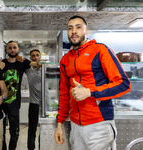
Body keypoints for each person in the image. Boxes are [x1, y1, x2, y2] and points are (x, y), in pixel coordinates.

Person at [54, 15, 131, 150]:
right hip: (76, 126)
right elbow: (64, 93)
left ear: (86, 31)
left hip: (99, 125)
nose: (74, 32)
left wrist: (90, 92)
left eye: (78, 27)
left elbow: (123, 84)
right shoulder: (65, 60)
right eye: (70, 28)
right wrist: (60, 123)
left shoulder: (100, 50)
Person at [0, 41, 41, 150]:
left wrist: (36, 61)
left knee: (15, 134)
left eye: (14, 47)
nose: (12, 50)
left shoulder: (22, 62)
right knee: (1, 134)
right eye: (10, 48)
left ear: (18, 49)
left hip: (14, 106)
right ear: (6, 50)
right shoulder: (1, 62)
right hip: (0, 104)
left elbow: (37, 64)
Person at [25, 49, 49, 150]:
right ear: (30, 58)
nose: (35, 57)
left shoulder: (46, 68)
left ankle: (42, 147)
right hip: (34, 104)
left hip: (46, 104)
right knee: (32, 129)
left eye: (37, 55)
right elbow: (21, 62)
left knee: (45, 129)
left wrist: (44, 64)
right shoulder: (28, 70)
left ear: (40, 56)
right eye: (33, 56)